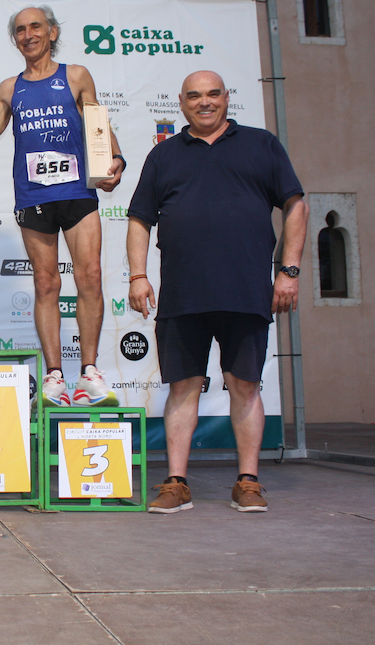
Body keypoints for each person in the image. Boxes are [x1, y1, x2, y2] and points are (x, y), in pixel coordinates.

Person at [127, 70, 308, 514]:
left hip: (245, 291)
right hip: (183, 294)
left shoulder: (262, 145)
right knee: (182, 387)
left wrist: (288, 271)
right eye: (194, 96)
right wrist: (137, 275)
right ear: (181, 102)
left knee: (244, 385)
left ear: (227, 98)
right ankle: (176, 483)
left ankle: (248, 482)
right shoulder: (164, 155)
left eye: (212, 94)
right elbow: (139, 219)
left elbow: (296, 204)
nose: (204, 102)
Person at [0, 6, 125, 406]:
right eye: (20, 30)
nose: (28, 34)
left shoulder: (76, 76)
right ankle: (55, 378)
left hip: (77, 192)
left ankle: (89, 373)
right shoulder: (9, 88)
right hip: (34, 196)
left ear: (52, 32)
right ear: (15, 39)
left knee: (89, 276)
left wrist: (115, 159)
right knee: (46, 283)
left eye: (36, 27)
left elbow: (98, 126)